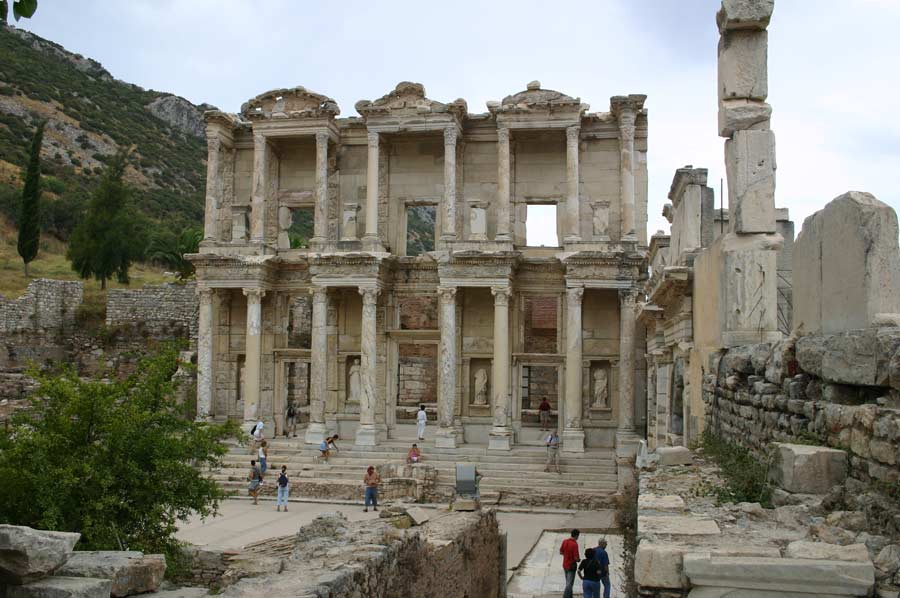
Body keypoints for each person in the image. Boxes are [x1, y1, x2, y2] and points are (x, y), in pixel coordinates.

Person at [559, 529, 580, 598]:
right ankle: (566, 596)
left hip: (565, 564)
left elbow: (561, 552)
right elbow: (576, 558)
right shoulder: (575, 544)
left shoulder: (565, 541)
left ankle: (570, 596)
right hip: (571, 566)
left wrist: (566, 555)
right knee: (569, 584)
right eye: (578, 536)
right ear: (576, 536)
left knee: (568, 582)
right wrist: (579, 560)